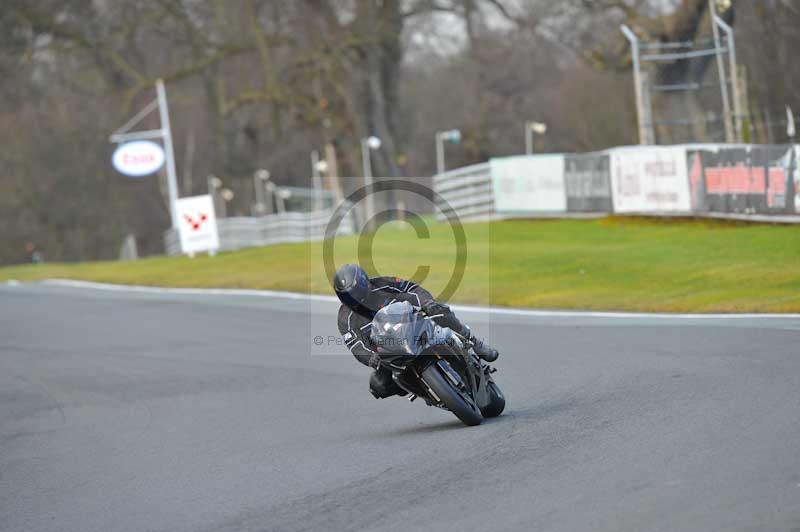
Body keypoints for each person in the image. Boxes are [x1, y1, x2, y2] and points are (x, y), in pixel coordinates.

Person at [333, 263, 499, 399]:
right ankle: (421, 389)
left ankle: (475, 343)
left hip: (414, 325)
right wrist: (371, 358)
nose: (355, 298)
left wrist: (427, 303)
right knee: (378, 386)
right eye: (348, 296)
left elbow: (411, 288)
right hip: (389, 351)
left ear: (365, 282)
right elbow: (355, 345)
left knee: (440, 312)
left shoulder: (383, 283)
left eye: (356, 291)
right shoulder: (345, 318)